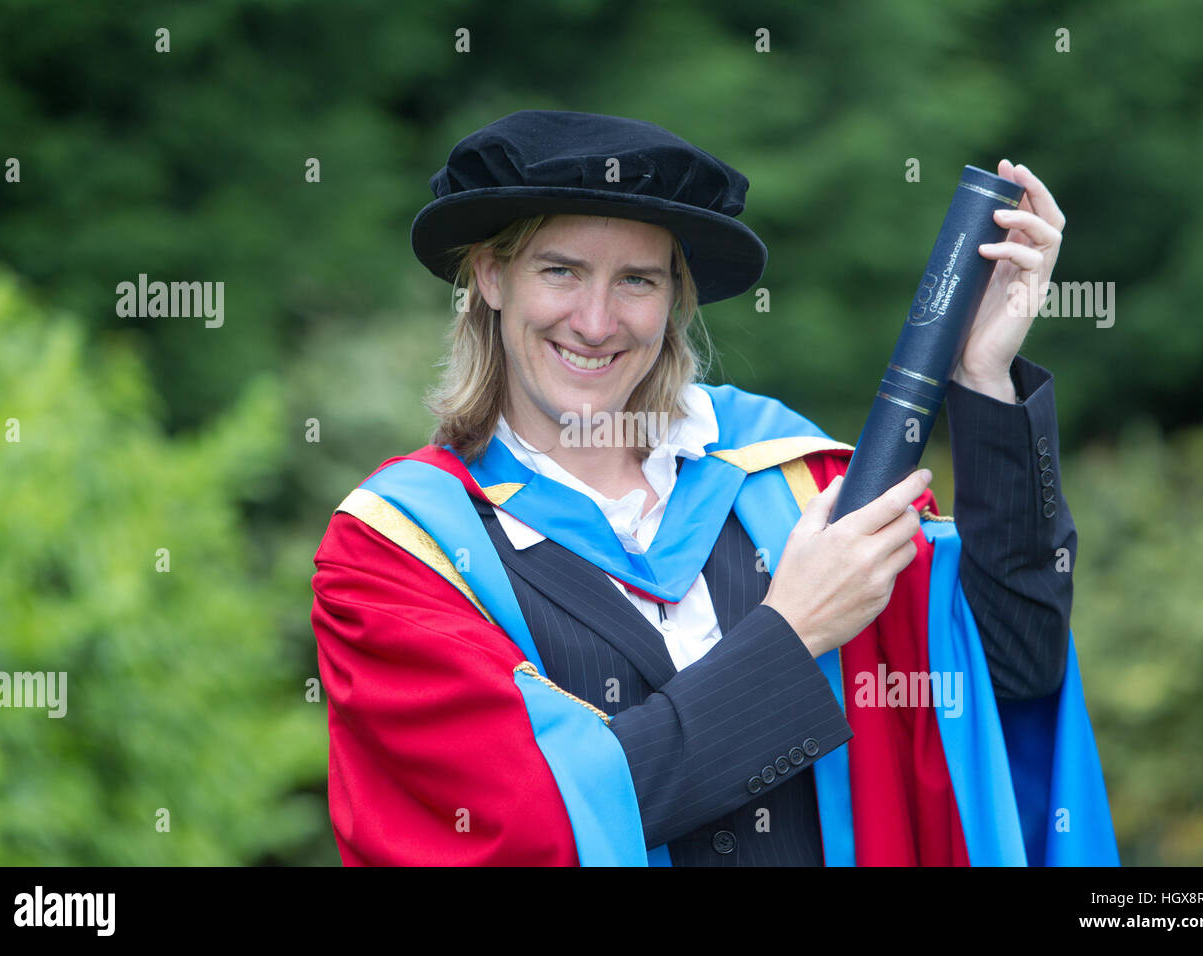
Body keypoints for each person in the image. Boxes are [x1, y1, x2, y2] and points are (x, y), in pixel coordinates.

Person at [310, 109, 1117, 866]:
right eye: (560, 271)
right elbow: (527, 825)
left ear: (675, 298)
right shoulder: (402, 550)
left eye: (637, 280)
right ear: (491, 277)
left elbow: (1012, 668)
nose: (595, 322)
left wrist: (983, 380)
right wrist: (791, 633)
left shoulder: (793, 479)